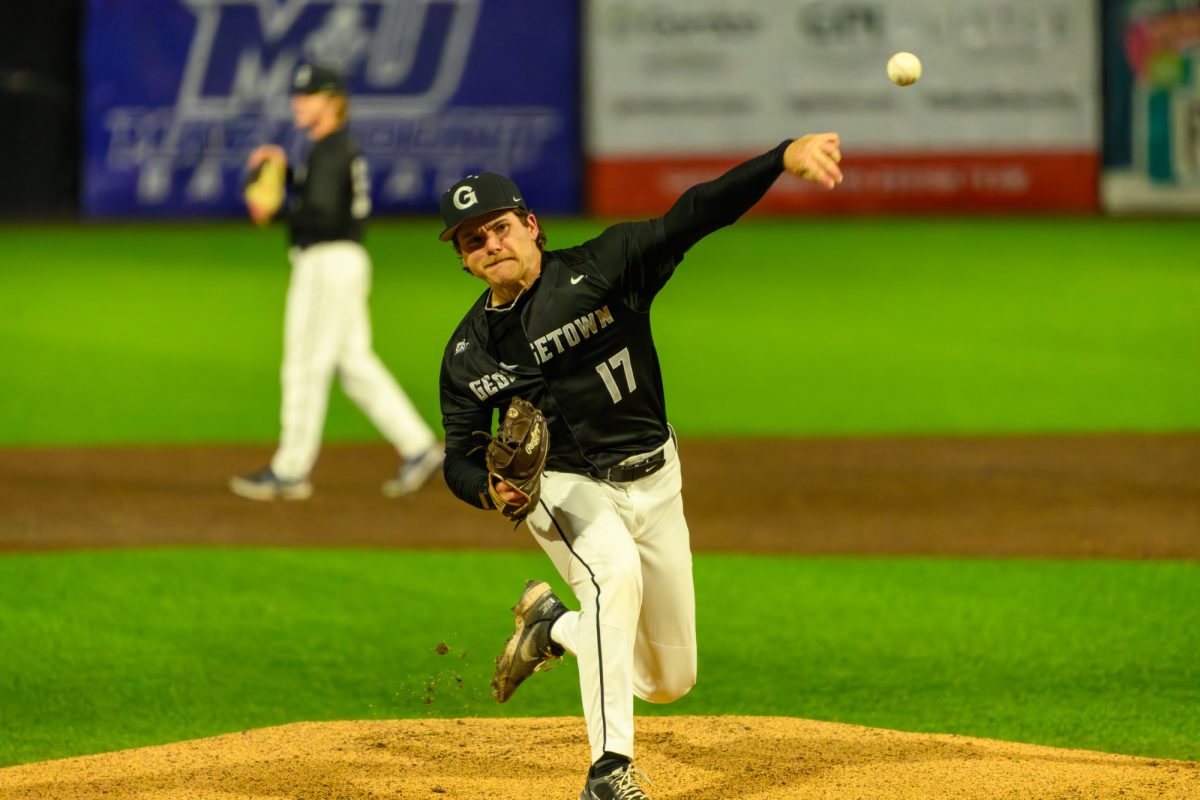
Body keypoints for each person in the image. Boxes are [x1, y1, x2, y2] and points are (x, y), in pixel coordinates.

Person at [435, 133, 843, 799]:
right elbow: (457, 452)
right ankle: (607, 771)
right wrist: (490, 489)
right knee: (611, 577)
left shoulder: (606, 264)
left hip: (655, 478)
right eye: (472, 242)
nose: (490, 245)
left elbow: (696, 213)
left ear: (531, 227)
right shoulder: (465, 356)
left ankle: (552, 627)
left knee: (666, 681)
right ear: (465, 263)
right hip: (563, 488)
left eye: (499, 228)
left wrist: (780, 158)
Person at [229, 63, 442, 501]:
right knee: (353, 363)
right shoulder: (336, 148)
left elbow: (322, 215)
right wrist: (286, 176)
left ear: (332, 101)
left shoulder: (329, 148)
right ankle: (418, 447)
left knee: (305, 366)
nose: (297, 102)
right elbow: (325, 200)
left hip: (325, 262)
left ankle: (290, 471)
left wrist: (275, 211)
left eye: (307, 96)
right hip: (346, 260)